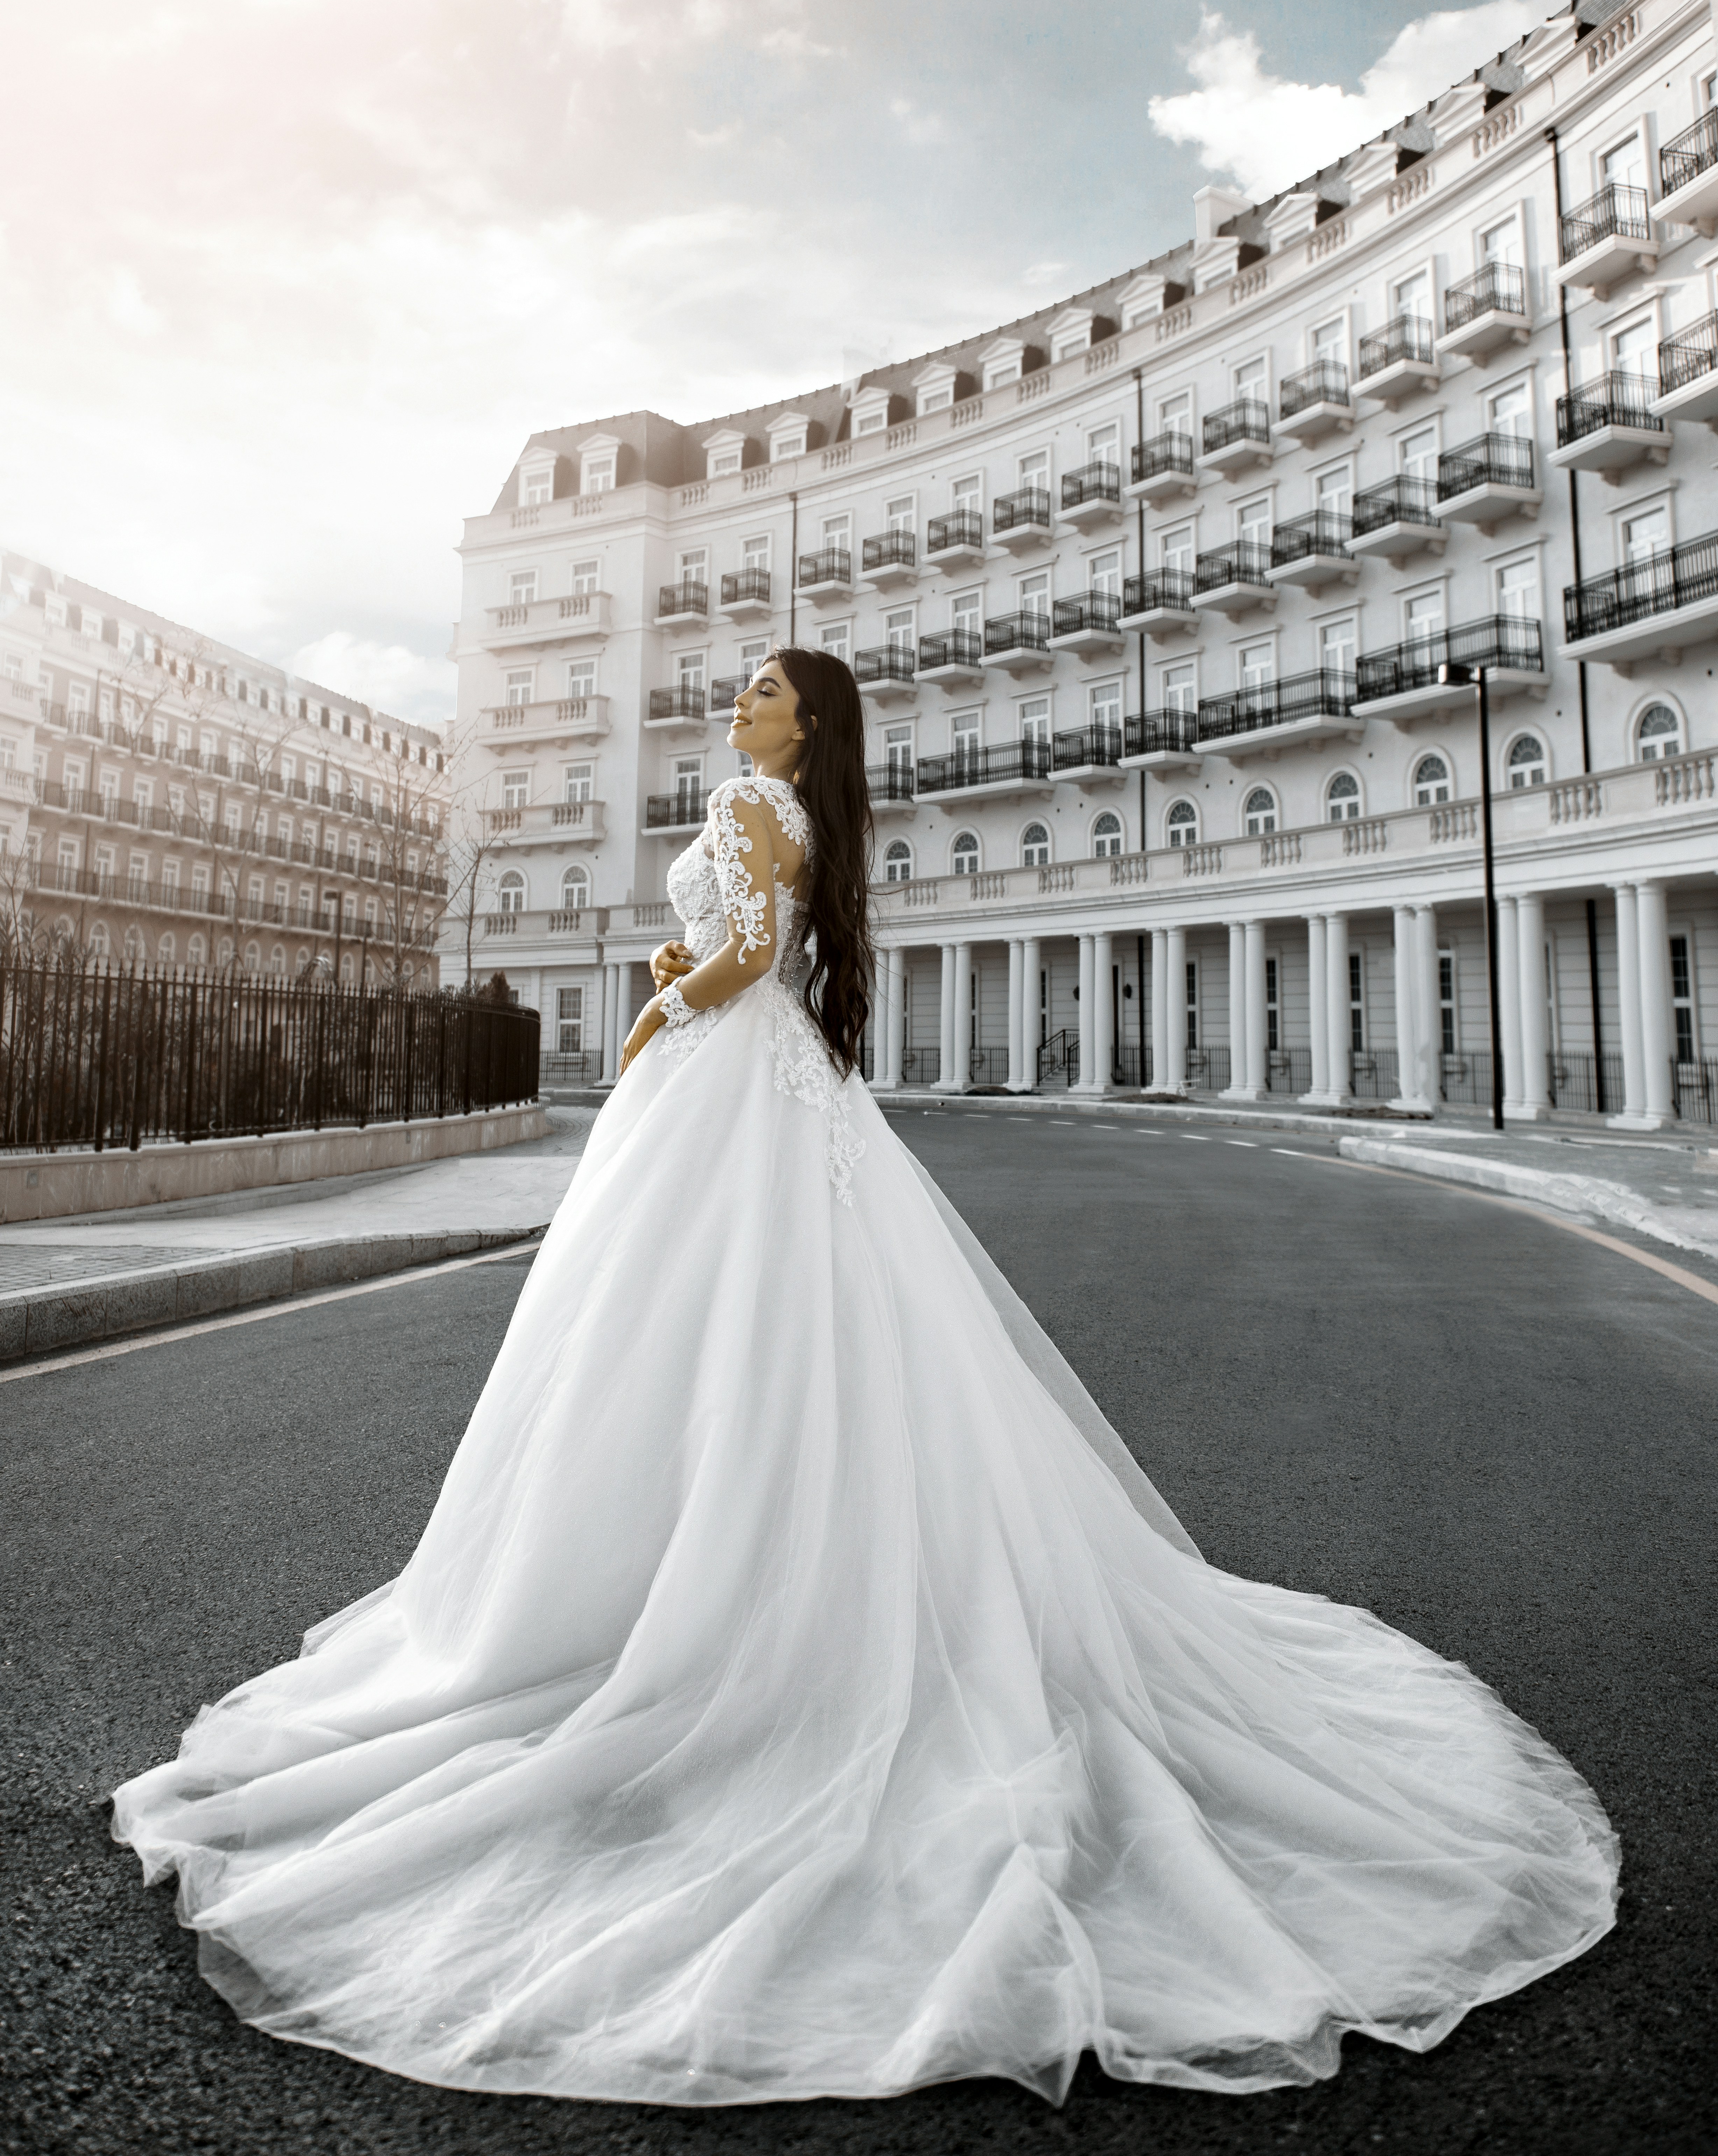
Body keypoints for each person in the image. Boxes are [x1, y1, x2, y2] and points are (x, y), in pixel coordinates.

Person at [111, 647, 1617, 2106]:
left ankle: (676, 1605)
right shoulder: (796, 818)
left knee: (681, 1341)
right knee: (772, 1340)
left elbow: (751, 957)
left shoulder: (752, 806)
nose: (741, 703)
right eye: (748, 687)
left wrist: (655, 1006)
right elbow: (761, 946)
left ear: (806, 724)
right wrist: (676, 964)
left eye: (768, 691)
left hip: (721, 1089)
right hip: (768, 1098)